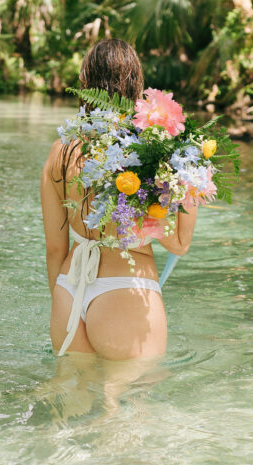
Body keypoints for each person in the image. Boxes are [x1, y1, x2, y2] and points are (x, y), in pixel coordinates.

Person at [41, 39, 199, 360]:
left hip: (69, 292)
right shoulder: (152, 146)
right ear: (136, 82)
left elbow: (55, 249)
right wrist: (147, 227)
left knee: (70, 401)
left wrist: (64, 301)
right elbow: (181, 243)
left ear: (86, 84)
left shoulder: (61, 151)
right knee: (133, 404)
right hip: (124, 289)